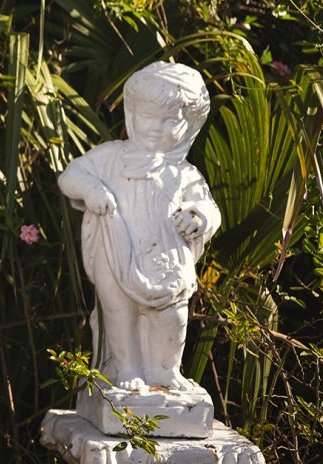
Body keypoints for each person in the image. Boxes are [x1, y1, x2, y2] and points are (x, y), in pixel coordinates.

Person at [57, 60, 221, 392]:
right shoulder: (110, 157)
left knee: (173, 316)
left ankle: (164, 371)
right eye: (147, 117)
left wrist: (199, 217)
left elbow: (209, 207)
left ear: (187, 126)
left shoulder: (184, 172)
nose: (156, 128)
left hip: (166, 261)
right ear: (131, 114)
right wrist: (92, 190)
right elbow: (70, 175)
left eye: (170, 121)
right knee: (119, 312)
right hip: (116, 252)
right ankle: (125, 368)